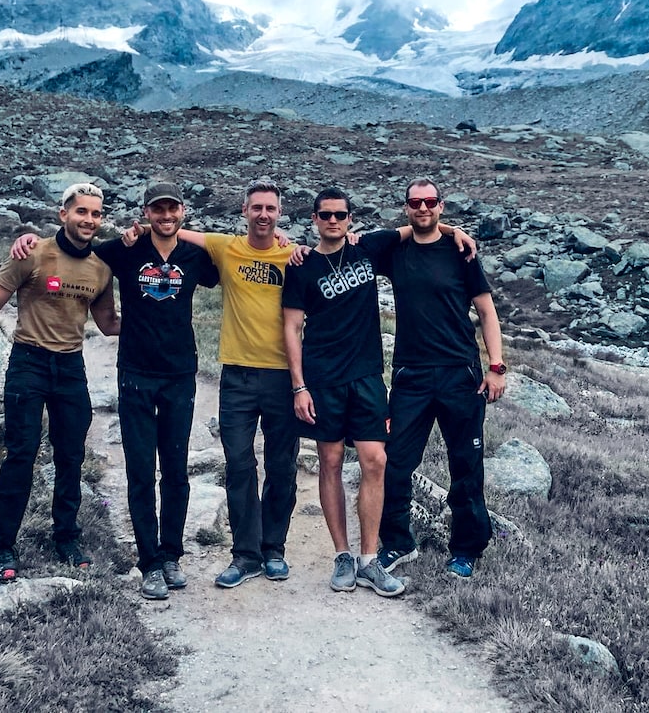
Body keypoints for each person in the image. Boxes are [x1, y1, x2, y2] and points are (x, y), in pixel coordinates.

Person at [13, 182, 221, 600]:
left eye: (172, 209)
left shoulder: (197, 257)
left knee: (176, 470)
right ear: (145, 212)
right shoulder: (123, 250)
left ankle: (172, 554)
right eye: (157, 210)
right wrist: (27, 239)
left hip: (180, 372)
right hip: (135, 373)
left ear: (182, 211)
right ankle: (150, 563)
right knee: (141, 470)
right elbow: (72, 246)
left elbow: (233, 259)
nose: (165, 216)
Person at [131, 178, 299, 588]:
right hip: (237, 375)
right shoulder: (227, 248)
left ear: (279, 214)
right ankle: (245, 555)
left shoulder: (295, 256)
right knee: (239, 464)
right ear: (244, 211)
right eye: (256, 207)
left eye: (270, 209)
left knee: (282, 466)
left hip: (282, 376)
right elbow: (174, 230)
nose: (263, 215)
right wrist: (138, 229)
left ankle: (273, 548)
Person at [0, 182, 120, 582]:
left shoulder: (101, 266)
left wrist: (157, 315)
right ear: (63, 214)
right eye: (81, 212)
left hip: (70, 367)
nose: (89, 220)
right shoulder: (32, 252)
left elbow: (108, 323)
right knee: (21, 454)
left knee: (70, 456)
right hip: (28, 362)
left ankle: (65, 537)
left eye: (96, 214)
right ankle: (0, 547)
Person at [374, 177, 507, 580]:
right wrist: (446, 228)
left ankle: (466, 549)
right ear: (406, 207)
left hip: (460, 374)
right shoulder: (395, 252)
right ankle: (397, 542)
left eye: (430, 202)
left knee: (466, 463)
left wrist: (496, 366)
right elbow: (359, 243)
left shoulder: (461, 254)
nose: (423, 208)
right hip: (411, 376)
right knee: (394, 462)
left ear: (441, 205)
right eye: (415, 203)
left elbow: (486, 312)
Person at [281, 187, 407, 597]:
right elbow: (291, 328)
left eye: (340, 215)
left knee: (375, 460)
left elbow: (421, 227)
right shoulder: (301, 265)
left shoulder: (369, 248)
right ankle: (342, 554)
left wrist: (458, 231)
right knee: (330, 460)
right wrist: (299, 386)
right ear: (314, 219)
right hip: (323, 379)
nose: (333, 221)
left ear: (351, 218)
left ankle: (370, 559)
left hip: (367, 376)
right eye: (325, 215)